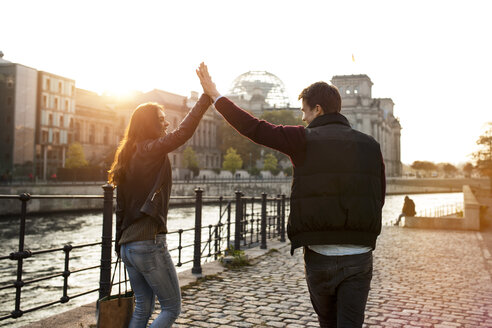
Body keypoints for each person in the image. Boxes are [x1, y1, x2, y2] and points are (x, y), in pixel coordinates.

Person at [196, 63, 385, 328]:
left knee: (328, 323)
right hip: (360, 253)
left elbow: (254, 128)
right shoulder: (370, 145)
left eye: (305, 111)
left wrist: (216, 96)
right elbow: (379, 195)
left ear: (317, 109)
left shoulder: (302, 139)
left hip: (320, 253)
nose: (303, 118)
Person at [108, 94, 212, 328]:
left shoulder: (127, 154)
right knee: (171, 308)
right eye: (162, 119)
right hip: (147, 242)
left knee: (143, 307)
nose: (167, 124)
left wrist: (118, 244)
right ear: (149, 124)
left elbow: (121, 207)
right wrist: (205, 98)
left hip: (127, 246)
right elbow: (182, 133)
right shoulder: (149, 150)